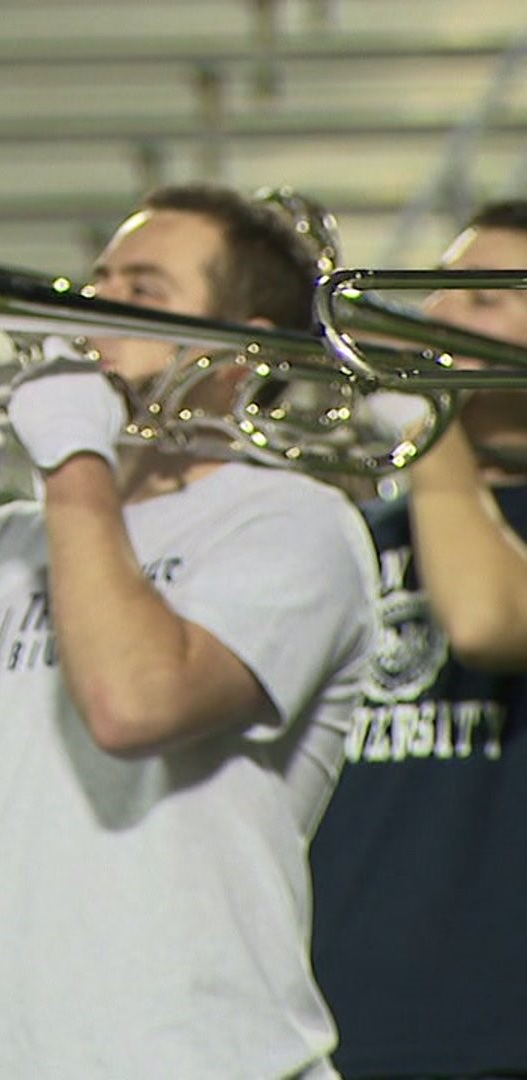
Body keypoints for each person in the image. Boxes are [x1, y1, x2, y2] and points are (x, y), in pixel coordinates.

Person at [0, 183, 377, 1076]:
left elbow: (132, 704)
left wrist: (75, 457)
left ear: (245, 349)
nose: (89, 308)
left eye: (144, 290)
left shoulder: (295, 523)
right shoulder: (13, 540)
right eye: (99, 277)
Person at [310, 199, 527, 1078]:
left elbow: (483, 621)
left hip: (497, 1037)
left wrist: (427, 413)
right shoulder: (359, 525)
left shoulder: (433, 487)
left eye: (480, 298)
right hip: (330, 1028)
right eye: (439, 291)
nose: (436, 315)